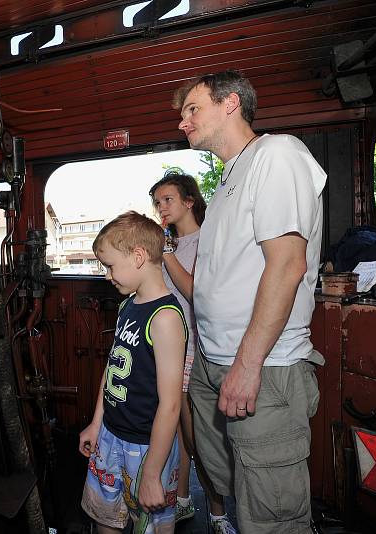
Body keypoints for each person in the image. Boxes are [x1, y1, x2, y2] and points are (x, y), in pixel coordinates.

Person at [174, 69, 325, 533]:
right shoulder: (225, 183)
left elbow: (287, 266)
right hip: (213, 363)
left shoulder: (276, 155)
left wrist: (247, 364)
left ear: (231, 103)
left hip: (263, 365)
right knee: (234, 485)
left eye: (192, 109)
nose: (183, 123)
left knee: (273, 513)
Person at [78, 211, 187, 534]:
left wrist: (152, 473)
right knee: (104, 520)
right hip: (110, 436)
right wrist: (97, 423)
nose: (107, 275)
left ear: (138, 257)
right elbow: (112, 367)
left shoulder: (164, 318)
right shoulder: (128, 306)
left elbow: (170, 405)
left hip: (146, 448)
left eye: (110, 265)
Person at [150, 172, 236, 534]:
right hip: (168, 345)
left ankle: (217, 512)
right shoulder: (163, 245)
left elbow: (194, 291)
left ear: (189, 201)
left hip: (197, 347)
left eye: (167, 200)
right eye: (156, 203)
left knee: (196, 433)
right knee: (177, 430)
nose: (161, 208)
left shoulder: (207, 239)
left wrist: (166, 253)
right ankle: (183, 498)